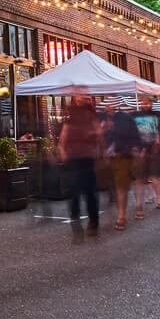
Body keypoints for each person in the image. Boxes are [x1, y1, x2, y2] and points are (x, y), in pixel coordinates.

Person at [58, 96, 103, 238]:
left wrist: (98, 144)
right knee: (74, 194)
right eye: (80, 97)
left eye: (86, 97)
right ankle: (76, 223)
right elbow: (61, 142)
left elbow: (100, 135)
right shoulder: (70, 120)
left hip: (88, 159)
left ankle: (93, 223)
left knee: (90, 193)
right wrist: (63, 153)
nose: (83, 100)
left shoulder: (92, 117)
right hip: (73, 161)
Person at [110, 105, 143, 230]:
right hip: (117, 157)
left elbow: (134, 137)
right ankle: (123, 214)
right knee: (122, 187)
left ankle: (122, 215)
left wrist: (135, 150)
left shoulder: (124, 118)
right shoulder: (102, 118)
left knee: (124, 187)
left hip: (125, 156)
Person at [133, 96, 160, 210]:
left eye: (148, 103)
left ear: (152, 103)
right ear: (140, 103)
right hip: (140, 149)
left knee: (156, 175)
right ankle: (148, 196)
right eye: (143, 103)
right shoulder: (134, 115)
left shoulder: (158, 115)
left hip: (154, 149)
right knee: (142, 177)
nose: (145, 105)